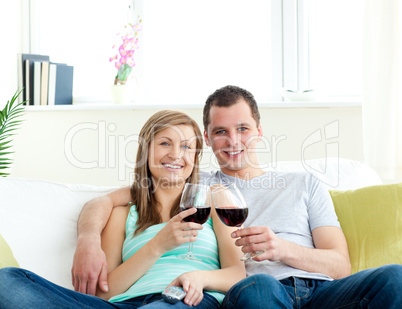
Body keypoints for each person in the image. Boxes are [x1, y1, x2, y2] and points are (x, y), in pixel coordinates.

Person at [72, 86, 402, 308]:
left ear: (259, 130)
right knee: (258, 285)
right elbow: (107, 200)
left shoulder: (305, 183)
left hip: (324, 291)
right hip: (257, 291)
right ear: (207, 139)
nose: (233, 140)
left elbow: (340, 264)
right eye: (220, 132)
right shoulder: (195, 187)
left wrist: (283, 249)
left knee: (394, 277)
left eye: (242, 128)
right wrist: (88, 239)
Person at [0, 110, 245, 309]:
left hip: (186, 300)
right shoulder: (123, 213)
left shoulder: (214, 200)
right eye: (164, 143)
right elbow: (103, 293)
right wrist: (157, 244)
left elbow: (237, 274)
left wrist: (201, 278)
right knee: (7, 281)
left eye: (186, 147)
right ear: (146, 151)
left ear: (195, 157)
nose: (174, 154)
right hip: (123, 305)